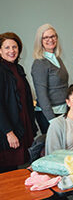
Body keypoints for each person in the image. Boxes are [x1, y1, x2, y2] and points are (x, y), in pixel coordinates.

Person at [0, 32, 37, 173]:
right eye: (7, 47)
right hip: (6, 131)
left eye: (14, 47)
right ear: (0, 50)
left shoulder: (18, 68)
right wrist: (9, 132)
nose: (11, 51)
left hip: (20, 124)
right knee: (7, 172)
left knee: (16, 169)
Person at [31, 24, 68, 134]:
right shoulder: (39, 63)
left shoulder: (57, 59)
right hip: (48, 114)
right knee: (54, 150)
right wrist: (52, 120)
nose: (50, 40)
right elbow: (42, 95)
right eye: (46, 37)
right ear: (40, 41)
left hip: (62, 111)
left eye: (53, 36)